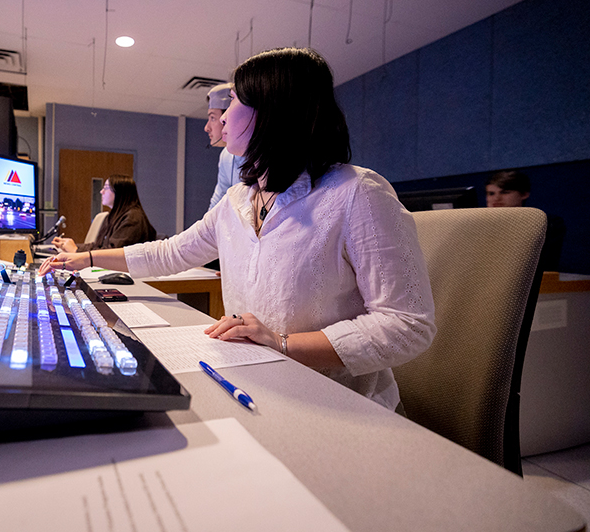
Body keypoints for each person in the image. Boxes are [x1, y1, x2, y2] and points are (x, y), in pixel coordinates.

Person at [41, 47, 436, 411]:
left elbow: (408, 323)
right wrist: (85, 260)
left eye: (234, 101)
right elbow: (171, 252)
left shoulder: (358, 194)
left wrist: (284, 345)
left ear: (275, 111)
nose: (223, 116)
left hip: (338, 403)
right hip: (258, 383)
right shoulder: (239, 200)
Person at [52, 174, 157, 253]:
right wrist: (71, 245)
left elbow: (113, 253)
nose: (101, 191)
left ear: (119, 193)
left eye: (106, 188)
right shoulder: (113, 216)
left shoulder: (133, 219)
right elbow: (98, 245)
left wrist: (76, 251)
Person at [485, 170, 565, 271]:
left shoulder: (545, 222)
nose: (496, 198)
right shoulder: (479, 225)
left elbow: (545, 265)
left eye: (505, 192)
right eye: (491, 193)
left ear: (524, 194)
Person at [205, 83, 243, 210]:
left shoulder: (258, 154)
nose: (207, 128)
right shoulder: (226, 156)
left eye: (212, 118)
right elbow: (218, 202)